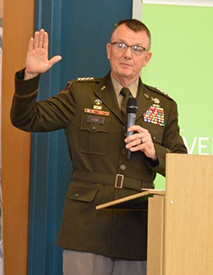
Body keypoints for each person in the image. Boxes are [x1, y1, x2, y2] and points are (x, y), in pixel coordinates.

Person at [10, 19, 187, 275]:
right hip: (86, 230)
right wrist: (31, 76)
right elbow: (26, 118)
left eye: (137, 49)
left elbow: (183, 167)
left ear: (147, 58)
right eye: (121, 45)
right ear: (108, 50)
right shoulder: (81, 93)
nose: (128, 54)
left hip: (136, 233)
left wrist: (153, 151)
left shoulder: (163, 105)